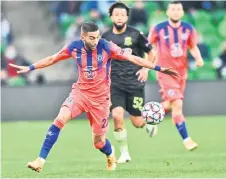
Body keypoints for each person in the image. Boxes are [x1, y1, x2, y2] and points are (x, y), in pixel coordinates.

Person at [10, 21, 178, 172]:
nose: (95, 40)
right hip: (80, 93)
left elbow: (132, 57)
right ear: (83, 37)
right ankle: (40, 160)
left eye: (97, 37)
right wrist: (30, 68)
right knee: (60, 119)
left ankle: (110, 153)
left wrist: (158, 68)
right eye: (91, 38)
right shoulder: (73, 47)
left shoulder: (106, 46)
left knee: (98, 142)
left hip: (101, 100)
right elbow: (53, 59)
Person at [102, 2, 156, 164]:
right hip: (115, 84)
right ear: (111, 17)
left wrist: (146, 69)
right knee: (117, 115)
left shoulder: (136, 34)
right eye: (116, 14)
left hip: (134, 83)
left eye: (122, 14)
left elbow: (152, 52)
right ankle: (124, 153)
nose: (119, 17)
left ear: (127, 17)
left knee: (137, 122)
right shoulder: (105, 37)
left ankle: (148, 123)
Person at [148, 1, 204, 151]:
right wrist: (146, 64)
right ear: (167, 12)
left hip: (182, 73)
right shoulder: (158, 28)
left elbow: (193, 46)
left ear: (182, 12)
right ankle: (187, 140)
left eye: (178, 9)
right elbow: (149, 47)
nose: (175, 12)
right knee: (178, 104)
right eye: (173, 9)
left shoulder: (188, 28)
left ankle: (151, 118)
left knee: (170, 105)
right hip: (165, 72)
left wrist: (198, 58)